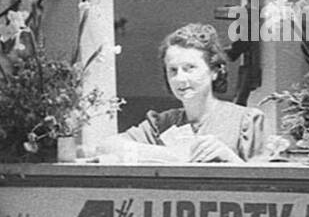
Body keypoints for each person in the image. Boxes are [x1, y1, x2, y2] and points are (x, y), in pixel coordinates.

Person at [94, 24, 265, 163]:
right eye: (173, 70)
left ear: (214, 71)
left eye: (190, 68)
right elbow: (107, 146)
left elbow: (268, 188)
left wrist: (229, 158)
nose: (180, 79)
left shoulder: (246, 121)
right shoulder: (162, 123)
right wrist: (171, 155)